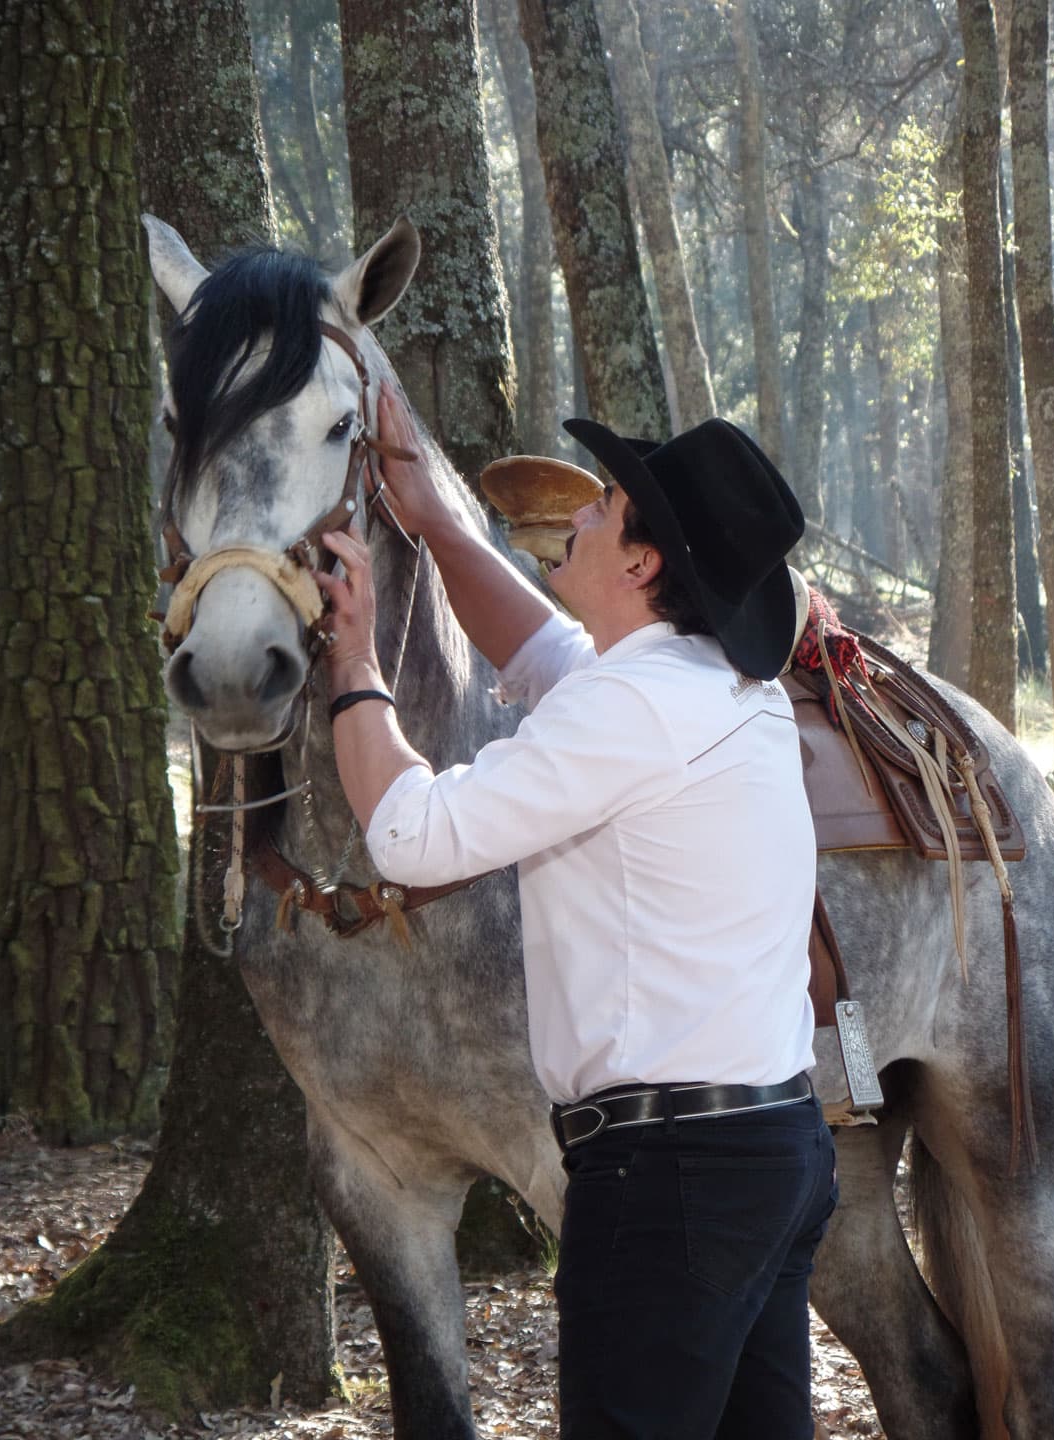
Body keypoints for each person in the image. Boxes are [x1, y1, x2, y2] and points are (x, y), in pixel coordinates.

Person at [316, 387, 836, 1440]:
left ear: (642, 564)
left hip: (669, 1177)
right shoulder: (707, 683)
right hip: (771, 1149)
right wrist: (436, 519)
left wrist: (355, 662)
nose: (577, 513)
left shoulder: (629, 707)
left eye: (604, 507)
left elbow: (412, 835)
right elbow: (540, 651)